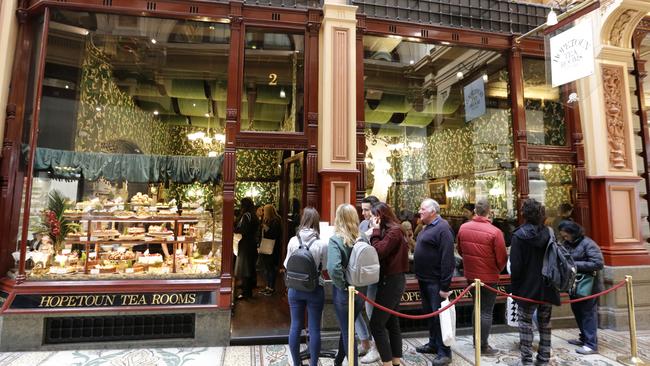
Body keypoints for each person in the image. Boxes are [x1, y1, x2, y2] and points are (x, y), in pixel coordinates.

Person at [510, 199, 560, 366]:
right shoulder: (549, 233)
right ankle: (544, 359)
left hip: (526, 287)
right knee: (545, 323)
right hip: (547, 284)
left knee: (525, 323)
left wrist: (515, 287)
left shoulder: (518, 236)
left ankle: (527, 361)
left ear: (524, 214)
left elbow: (516, 267)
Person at [457, 198, 507, 355]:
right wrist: (497, 270)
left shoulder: (463, 228)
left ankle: (476, 341)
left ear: (475, 211)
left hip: (471, 275)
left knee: (476, 308)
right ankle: (483, 345)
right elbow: (502, 257)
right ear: (489, 211)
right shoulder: (495, 232)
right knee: (485, 311)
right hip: (489, 277)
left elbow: (460, 250)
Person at [365, 202, 409, 366]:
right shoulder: (393, 230)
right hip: (392, 280)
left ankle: (387, 362)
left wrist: (375, 233)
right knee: (391, 322)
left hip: (392, 281)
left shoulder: (394, 231)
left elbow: (379, 251)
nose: (372, 218)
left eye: (374, 215)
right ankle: (395, 361)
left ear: (381, 216)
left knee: (376, 324)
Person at [413, 198, 455, 366]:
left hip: (435, 282)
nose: (420, 211)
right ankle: (433, 343)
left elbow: (447, 259)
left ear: (433, 211)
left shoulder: (443, 229)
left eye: (423, 209)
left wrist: (445, 286)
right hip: (424, 279)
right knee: (430, 315)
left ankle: (445, 352)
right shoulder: (427, 227)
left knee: (439, 317)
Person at [284, 207, 328, 366]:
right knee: (314, 328)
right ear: (317, 222)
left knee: (295, 326)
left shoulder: (292, 241)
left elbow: (287, 264)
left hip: (295, 289)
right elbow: (325, 268)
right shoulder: (322, 243)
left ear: (302, 220)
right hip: (315, 289)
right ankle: (314, 364)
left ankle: (296, 363)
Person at [327, 203, 365, 366]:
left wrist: (342, 285)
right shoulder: (363, 237)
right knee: (347, 327)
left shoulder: (336, 240)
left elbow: (333, 268)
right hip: (361, 290)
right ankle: (339, 360)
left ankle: (353, 363)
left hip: (344, 292)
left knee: (348, 331)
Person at [558, 220, 604, 355]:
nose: (564, 238)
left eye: (566, 236)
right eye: (563, 236)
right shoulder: (566, 244)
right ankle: (584, 338)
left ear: (574, 233)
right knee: (578, 311)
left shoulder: (588, 243)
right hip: (574, 285)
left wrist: (574, 264)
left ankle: (591, 344)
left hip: (588, 285)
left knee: (588, 314)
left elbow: (598, 263)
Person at [357, 195, 381, 363]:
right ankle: (364, 341)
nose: (363, 213)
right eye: (362, 209)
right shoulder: (363, 224)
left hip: (375, 277)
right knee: (355, 308)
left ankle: (377, 348)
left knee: (372, 312)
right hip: (359, 275)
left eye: (366, 209)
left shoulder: (383, 226)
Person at [234, 197, 260, 300]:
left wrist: (234, 229)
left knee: (245, 268)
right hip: (252, 243)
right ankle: (249, 286)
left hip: (246, 243)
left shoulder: (246, 216)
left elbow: (243, 230)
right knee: (250, 267)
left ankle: (246, 292)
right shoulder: (253, 215)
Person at [259, 204, 282, 296]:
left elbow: (274, 234)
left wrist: (265, 227)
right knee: (267, 268)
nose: (263, 213)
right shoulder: (268, 219)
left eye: (264, 211)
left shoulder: (276, 220)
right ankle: (267, 286)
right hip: (267, 245)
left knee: (271, 268)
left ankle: (271, 288)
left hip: (272, 247)